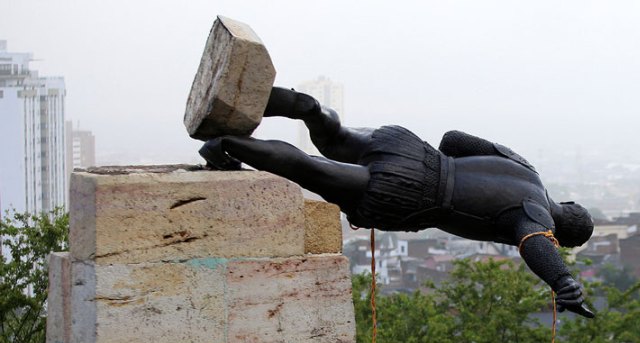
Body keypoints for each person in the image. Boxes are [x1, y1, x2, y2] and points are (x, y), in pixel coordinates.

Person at [199, 87, 595, 317]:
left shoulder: (525, 168)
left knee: (335, 136)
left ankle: (308, 109)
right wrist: (563, 282)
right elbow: (536, 244)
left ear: (570, 202)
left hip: (411, 149)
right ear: (564, 234)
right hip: (415, 192)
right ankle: (227, 144)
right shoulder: (536, 217)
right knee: (313, 170)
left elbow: (454, 139)